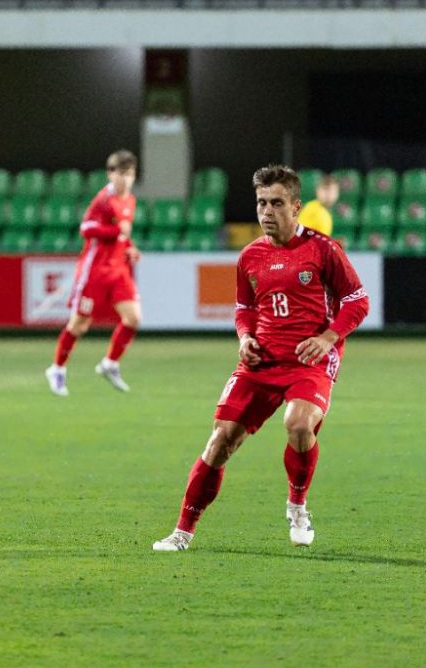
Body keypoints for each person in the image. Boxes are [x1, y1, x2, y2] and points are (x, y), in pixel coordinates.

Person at [152, 165, 368, 551]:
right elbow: (244, 308)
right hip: (261, 361)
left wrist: (328, 338)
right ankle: (182, 532)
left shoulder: (323, 249)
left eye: (277, 203)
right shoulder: (250, 256)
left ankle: (297, 506)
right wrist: (245, 336)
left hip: (309, 360)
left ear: (296, 206)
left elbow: (357, 300)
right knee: (220, 441)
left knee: (298, 424)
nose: (267, 211)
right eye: (261, 203)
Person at [45, 150, 142, 396]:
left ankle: (110, 364)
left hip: (118, 269)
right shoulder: (103, 200)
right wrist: (115, 232)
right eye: (121, 174)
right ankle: (57, 369)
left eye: (130, 174)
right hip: (94, 271)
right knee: (80, 324)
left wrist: (129, 247)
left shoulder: (129, 200)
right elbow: (86, 228)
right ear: (110, 174)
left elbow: (122, 234)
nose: (126, 179)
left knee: (133, 317)